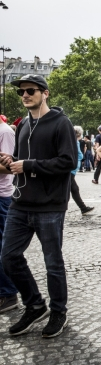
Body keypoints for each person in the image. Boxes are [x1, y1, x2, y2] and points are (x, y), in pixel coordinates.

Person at [0, 74, 78, 338]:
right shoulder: (22, 125)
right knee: (8, 257)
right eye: (21, 92)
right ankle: (34, 304)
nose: (24, 95)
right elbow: (23, 160)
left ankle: (58, 312)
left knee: (52, 263)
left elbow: (68, 162)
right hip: (20, 203)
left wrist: (29, 165)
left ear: (45, 93)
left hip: (50, 206)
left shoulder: (61, 123)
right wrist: (12, 161)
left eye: (30, 90)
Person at [0, 115, 17, 314]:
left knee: (4, 249)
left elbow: (10, 166)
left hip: (3, 196)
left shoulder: (5, 132)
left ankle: (8, 293)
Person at [71, 127, 94, 216]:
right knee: (73, 189)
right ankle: (83, 208)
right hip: (71, 169)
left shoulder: (73, 141)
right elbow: (78, 153)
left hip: (72, 169)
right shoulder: (74, 141)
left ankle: (83, 208)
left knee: (74, 189)